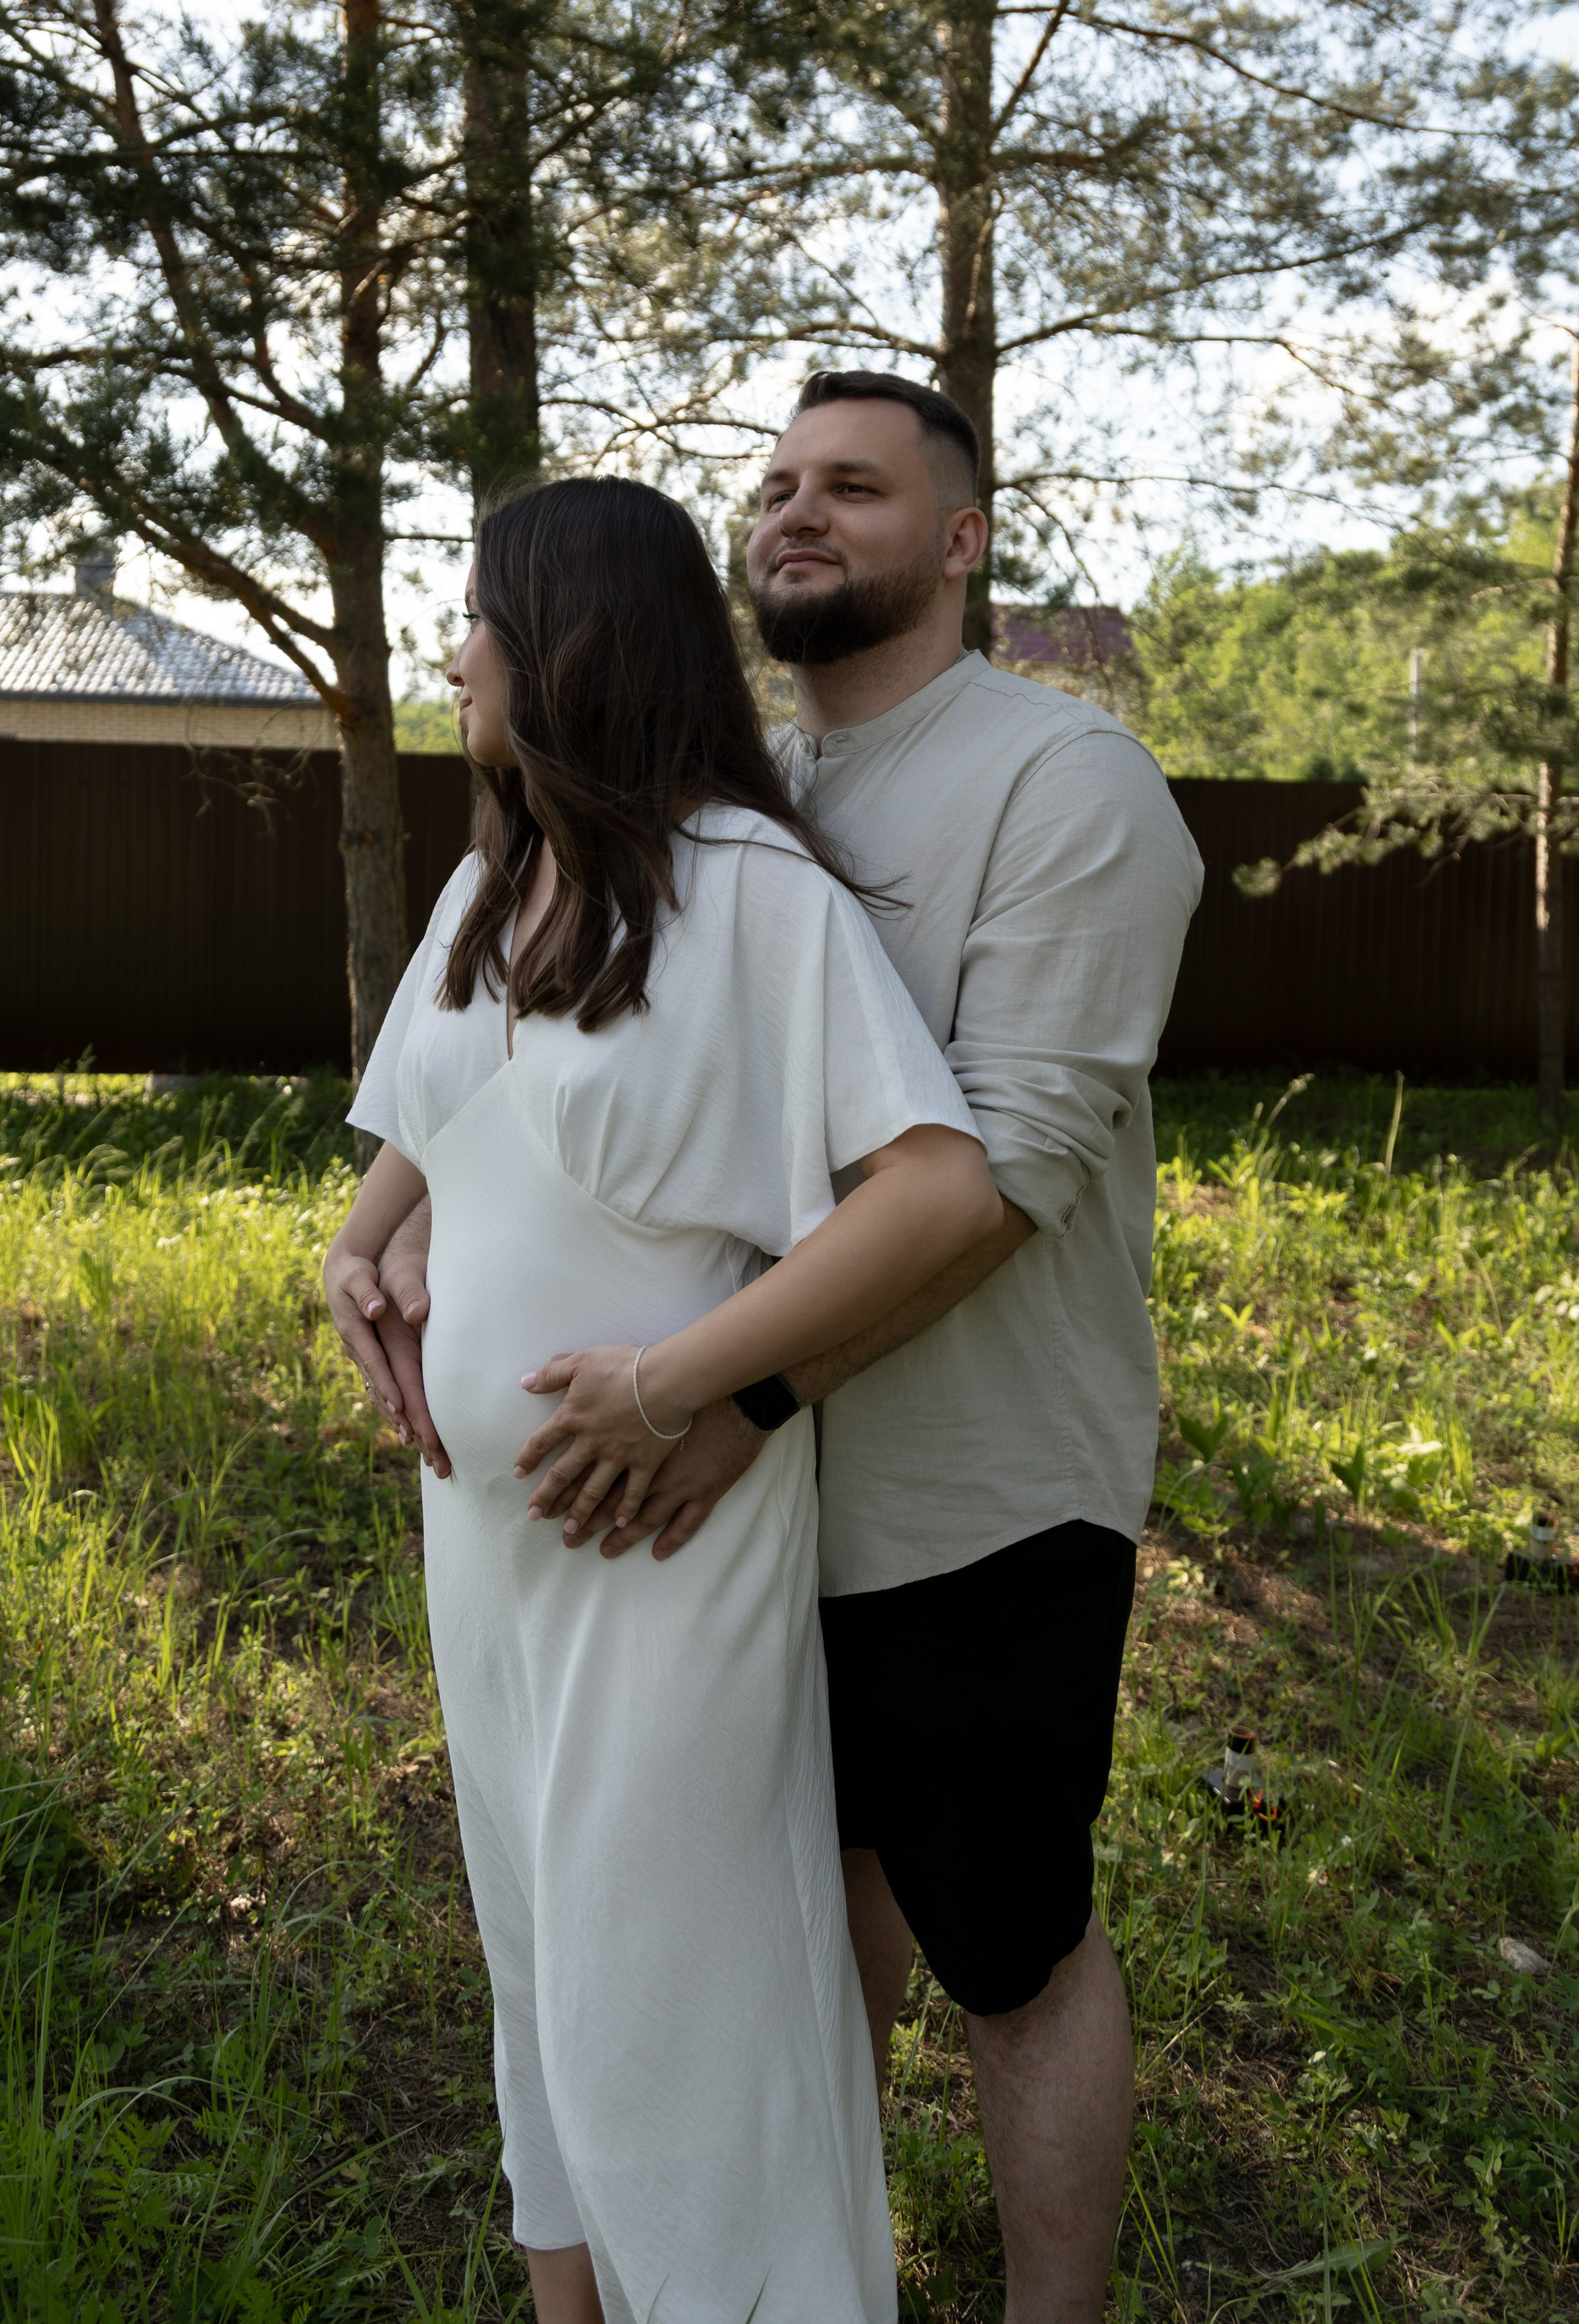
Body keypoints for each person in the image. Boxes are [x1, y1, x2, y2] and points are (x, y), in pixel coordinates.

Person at [363, 377, 1204, 2324]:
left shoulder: (1061, 788)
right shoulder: (735, 793)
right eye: (773, 485)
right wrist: (389, 1223)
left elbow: (995, 1180)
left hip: (963, 1495)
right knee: (766, 1944)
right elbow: (556, 1011)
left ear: (965, 539)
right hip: (720, 1523)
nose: (796, 513)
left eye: (855, 486)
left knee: (1008, 1943)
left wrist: (724, 1391)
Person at [322, 476, 1001, 2324]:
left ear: (569, 637)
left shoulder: (748, 891)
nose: (454, 647)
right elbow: (426, 1128)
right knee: (533, 1954)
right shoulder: (491, 876)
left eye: (479, 611)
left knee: (674, 1992)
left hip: (655, 1536)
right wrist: (356, 1252)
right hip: (484, 1539)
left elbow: (938, 1188)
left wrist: (674, 1381)